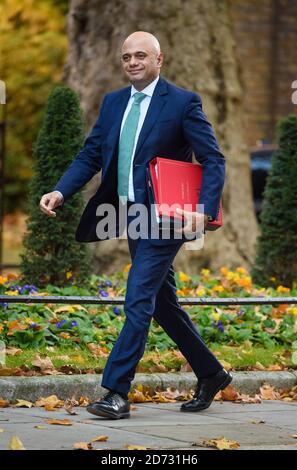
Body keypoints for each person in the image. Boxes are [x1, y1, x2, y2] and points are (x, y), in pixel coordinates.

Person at [40, 31, 232, 420]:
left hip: (167, 218)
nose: (132, 62)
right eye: (126, 57)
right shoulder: (113, 104)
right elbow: (91, 153)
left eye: (140, 55)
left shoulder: (181, 102)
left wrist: (203, 208)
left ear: (160, 59)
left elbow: (214, 158)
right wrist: (61, 191)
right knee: (162, 304)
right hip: (130, 216)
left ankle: (115, 392)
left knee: (138, 298)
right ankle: (212, 374)